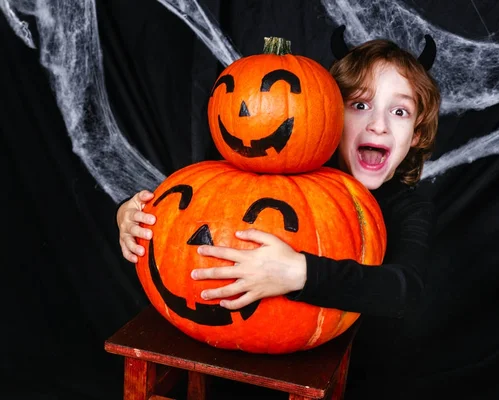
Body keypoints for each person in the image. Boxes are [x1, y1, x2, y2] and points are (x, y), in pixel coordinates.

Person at [116, 35, 441, 397]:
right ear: (327, 110)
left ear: (416, 132)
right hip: (232, 362)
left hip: (352, 375)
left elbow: (404, 290)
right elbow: (199, 202)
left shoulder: (410, 205)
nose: (379, 125)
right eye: (360, 104)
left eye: (400, 111)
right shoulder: (273, 172)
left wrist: (297, 272)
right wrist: (132, 215)